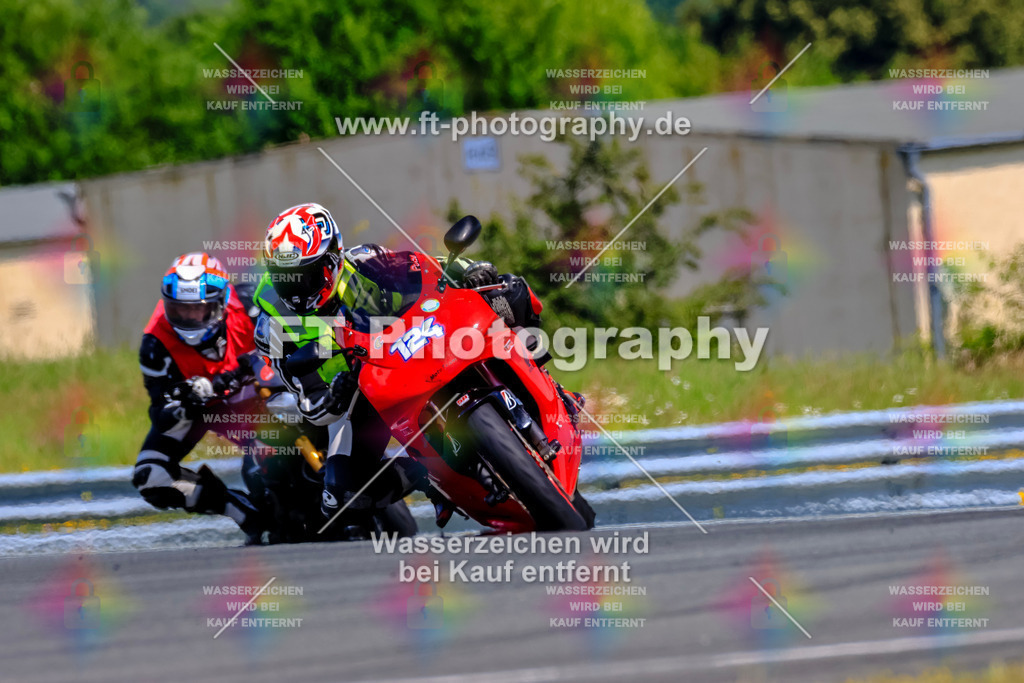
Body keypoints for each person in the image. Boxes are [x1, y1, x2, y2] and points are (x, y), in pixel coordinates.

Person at [251, 202, 577, 528]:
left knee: (509, 288)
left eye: (306, 275)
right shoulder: (272, 326)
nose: (296, 286)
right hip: (350, 395)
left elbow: (429, 270)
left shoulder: (365, 259)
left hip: (402, 345)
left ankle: (546, 382)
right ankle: (424, 475)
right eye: (285, 278)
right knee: (341, 496)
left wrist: (471, 269)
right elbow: (310, 405)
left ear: (333, 257)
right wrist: (335, 394)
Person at [132, 252, 266, 543]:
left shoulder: (251, 303)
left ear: (219, 305)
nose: (188, 318)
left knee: (265, 465)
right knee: (150, 475)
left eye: (198, 309)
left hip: (260, 396)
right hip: (204, 410)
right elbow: (160, 413)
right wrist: (184, 402)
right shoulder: (155, 344)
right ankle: (238, 509)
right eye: (179, 309)